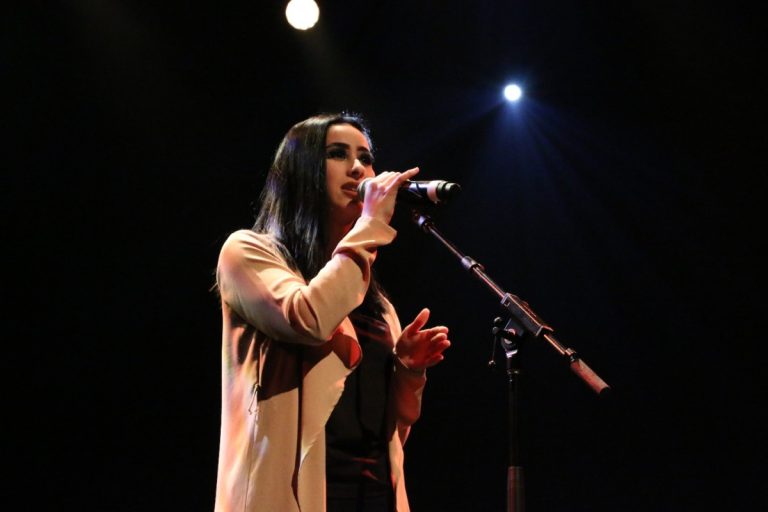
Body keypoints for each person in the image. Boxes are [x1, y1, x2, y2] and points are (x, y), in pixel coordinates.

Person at [214, 112, 451, 512]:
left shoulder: (376, 304)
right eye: (338, 154)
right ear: (302, 170)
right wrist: (372, 223)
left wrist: (408, 372)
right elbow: (306, 319)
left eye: (366, 157)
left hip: (374, 497)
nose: (358, 168)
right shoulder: (247, 253)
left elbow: (392, 433)